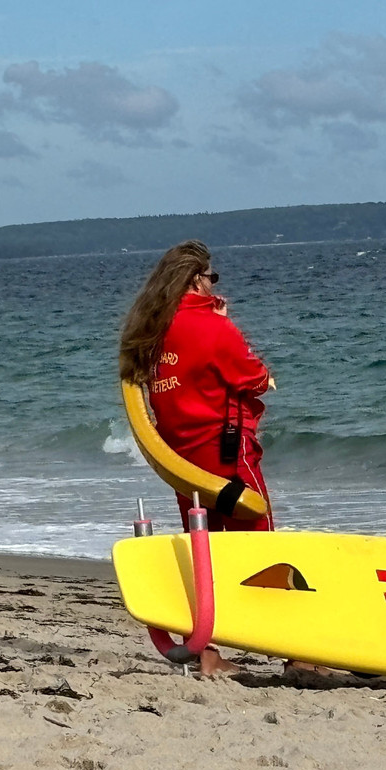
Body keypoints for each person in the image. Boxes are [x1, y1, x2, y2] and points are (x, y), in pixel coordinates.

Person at [120, 240, 307, 678]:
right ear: (196, 279)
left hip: (182, 463)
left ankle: (206, 652)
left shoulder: (149, 331)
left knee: (206, 553)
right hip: (227, 456)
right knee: (263, 550)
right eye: (211, 277)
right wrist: (222, 321)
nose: (213, 284)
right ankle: (297, 653)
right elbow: (256, 377)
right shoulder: (211, 327)